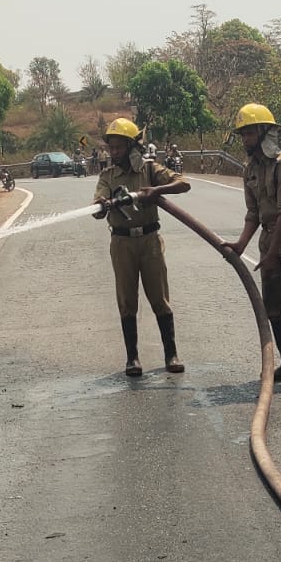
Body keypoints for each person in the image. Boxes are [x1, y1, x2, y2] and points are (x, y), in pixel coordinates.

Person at [224, 103, 281, 389]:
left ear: (264, 133)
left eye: (249, 133)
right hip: (268, 237)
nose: (245, 140)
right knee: (273, 304)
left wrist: (273, 254)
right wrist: (240, 245)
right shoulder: (250, 169)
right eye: (243, 135)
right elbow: (253, 213)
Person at [93, 118, 191, 376]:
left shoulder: (149, 170)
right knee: (127, 301)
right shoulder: (107, 176)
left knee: (159, 298)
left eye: (118, 148)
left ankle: (171, 354)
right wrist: (103, 204)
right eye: (111, 148)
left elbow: (183, 182)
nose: (113, 153)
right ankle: (132, 359)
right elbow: (97, 208)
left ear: (132, 147)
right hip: (122, 243)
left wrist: (157, 190)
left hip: (150, 242)